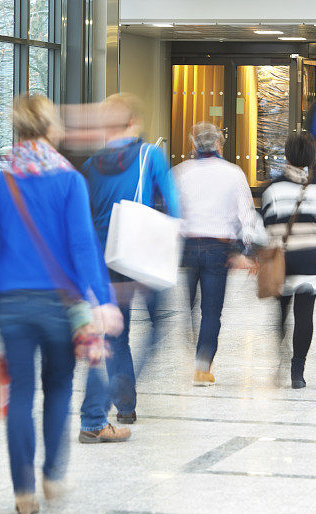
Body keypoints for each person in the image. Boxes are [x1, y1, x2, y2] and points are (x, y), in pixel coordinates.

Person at [0, 95, 121, 514]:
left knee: (20, 392)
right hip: (60, 304)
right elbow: (82, 245)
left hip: (11, 301)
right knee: (57, 388)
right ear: (50, 127)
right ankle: (53, 474)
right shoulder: (67, 178)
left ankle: (23, 490)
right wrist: (104, 299)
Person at [78, 93, 181, 442]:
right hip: (143, 255)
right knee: (160, 324)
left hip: (106, 259)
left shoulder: (91, 165)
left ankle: (124, 403)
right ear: (133, 123)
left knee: (114, 332)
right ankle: (124, 387)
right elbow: (174, 204)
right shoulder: (150, 154)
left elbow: (84, 217)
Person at [174, 122, 267, 386]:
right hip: (218, 248)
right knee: (211, 311)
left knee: (189, 305)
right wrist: (246, 249)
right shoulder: (233, 173)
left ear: (193, 144)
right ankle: (203, 365)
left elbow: (172, 210)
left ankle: (194, 347)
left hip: (188, 247)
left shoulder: (180, 172)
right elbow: (246, 215)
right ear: (218, 144)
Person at [261, 132, 316, 389]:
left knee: (282, 311)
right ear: (311, 157)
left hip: (281, 259)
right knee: (304, 314)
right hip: (311, 258)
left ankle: (280, 359)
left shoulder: (271, 188)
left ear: (287, 155)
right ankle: (298, 372)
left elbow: (262, 226)